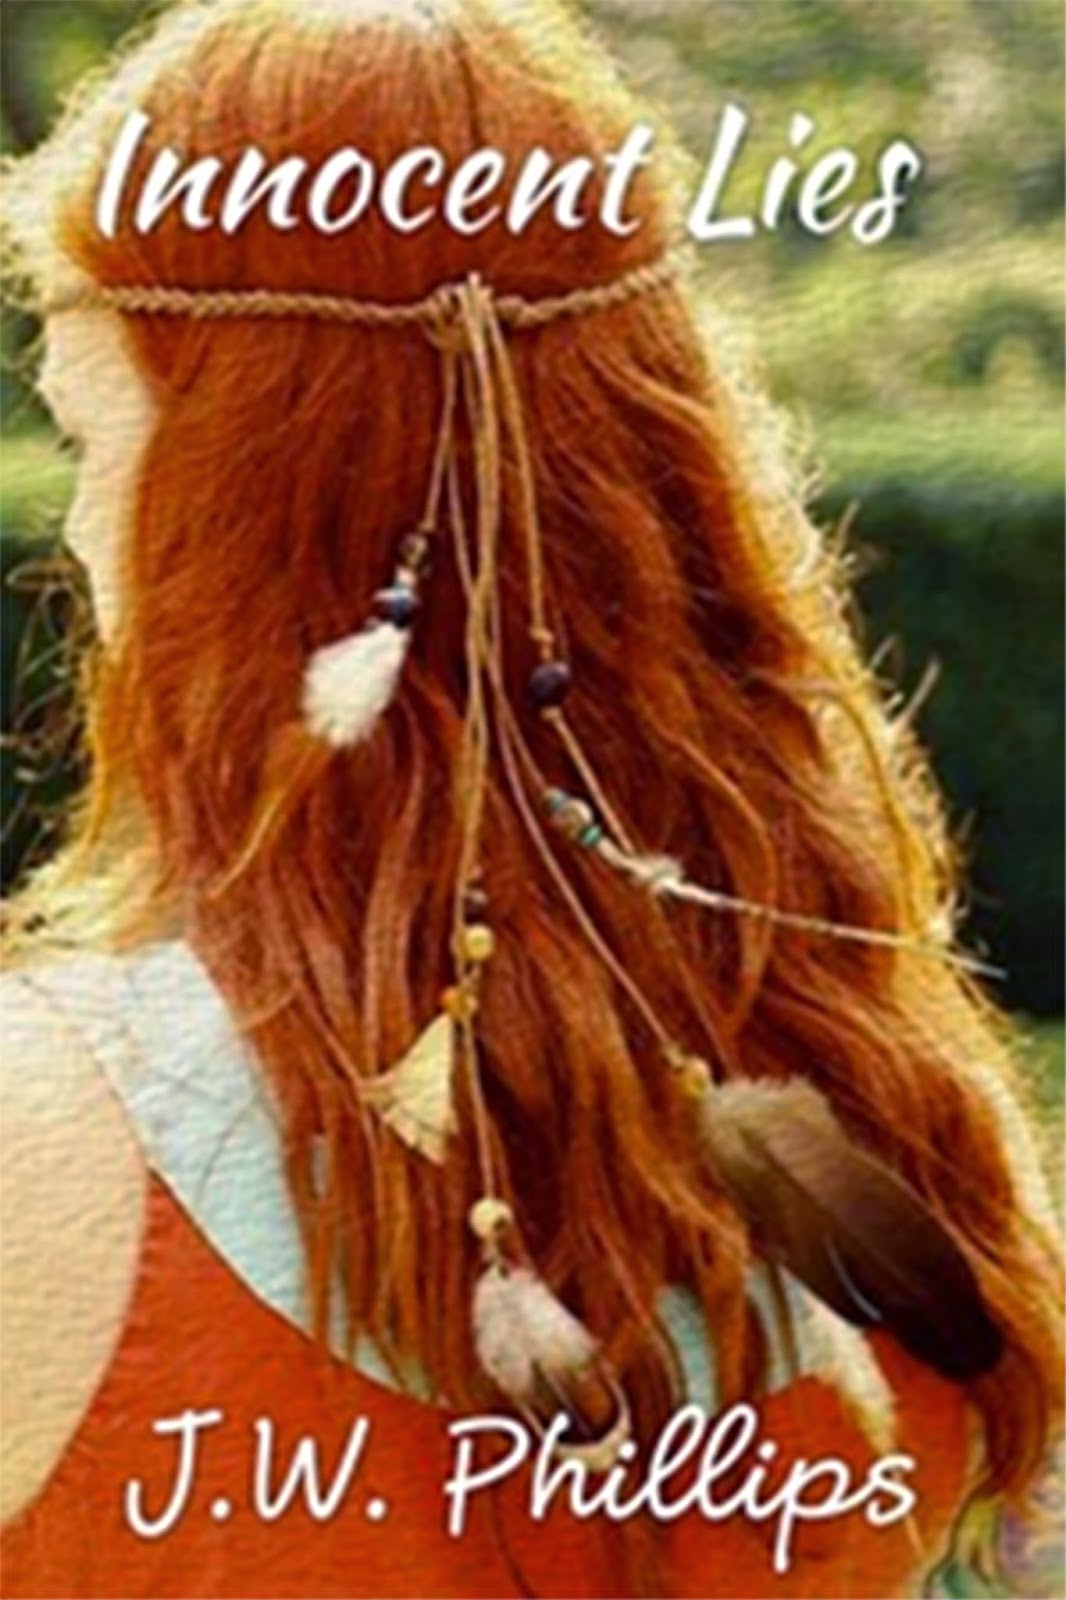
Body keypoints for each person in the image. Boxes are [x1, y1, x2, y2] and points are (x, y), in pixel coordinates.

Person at [1, 2, 1061, 1596]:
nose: (80, 533)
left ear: (248, 506)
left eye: (94, 443)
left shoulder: (39, 1143)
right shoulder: (915, 1129)